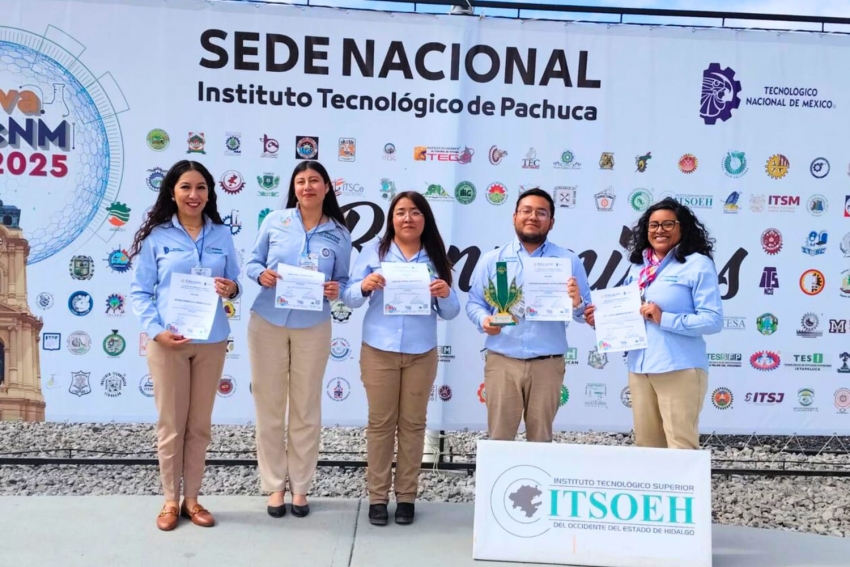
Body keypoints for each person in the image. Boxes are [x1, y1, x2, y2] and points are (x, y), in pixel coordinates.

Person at [129, 160, 241, 531]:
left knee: (199, 426)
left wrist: (231, 289)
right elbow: (140, 292)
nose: (194, 195)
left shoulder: (222, 234)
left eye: (201, 188)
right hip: (169, 343)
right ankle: (169, 500)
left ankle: (192, 499)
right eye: (186, 187)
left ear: (209, 194)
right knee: (171, 425)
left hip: (211, 340)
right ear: (172, 193)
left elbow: (235, 282)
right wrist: (156, 330)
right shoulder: (157, 237)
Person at [342, 191, 460, 527]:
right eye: (401, 212)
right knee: (381, 425)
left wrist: (445, 293)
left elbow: (451, 311)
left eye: (415, 212)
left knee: (413, 424)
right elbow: (349, 298)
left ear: (425, 219)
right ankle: (377, 497)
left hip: (421, 352)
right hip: (379, 349)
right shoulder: (374, 252)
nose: (408, 218)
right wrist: (364, 285)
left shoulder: (435, 256)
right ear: (391, 219)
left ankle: (406, 496)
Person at [246, 160, 352, 519]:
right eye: (301, 181)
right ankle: (275, 486)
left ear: (326, 187)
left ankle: (301, 487)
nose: (307, 186)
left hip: (313, 326)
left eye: (314, 181)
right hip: (268, 321)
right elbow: (252, 262)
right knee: (269, 405)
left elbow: (344, 281)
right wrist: (261, 275)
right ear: (294, 188)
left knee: (306, 407)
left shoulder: (339, 232)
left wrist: (337, 290)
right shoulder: (275, 222)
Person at [583, 197, 722, 449]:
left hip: (678, 367)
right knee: (647, 447)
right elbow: (629, 312)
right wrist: (600, 320)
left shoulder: (697, 265)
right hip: (640, 367)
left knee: (680, 445)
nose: (660, 230)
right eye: (653, 225)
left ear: (683, 228)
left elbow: (712, 320)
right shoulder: (638, 268)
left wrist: (663, 318)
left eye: (668, 224)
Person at [465, 188, 591, 442]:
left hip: (547, 364)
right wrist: (483, 320)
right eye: (526, 211)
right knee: (500, 439)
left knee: (541, 441)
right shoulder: (493, 259)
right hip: (503, 361)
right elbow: (474, 303)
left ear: (551, 222)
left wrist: (577, 302)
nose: (533, 217)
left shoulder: (568, 261)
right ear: (515, 217)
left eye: (541, 213)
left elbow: (584, 313)